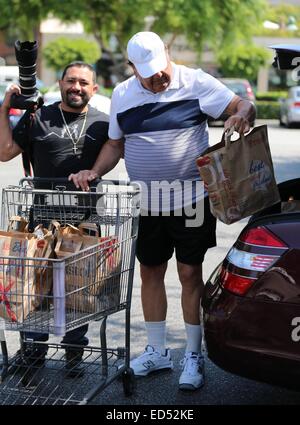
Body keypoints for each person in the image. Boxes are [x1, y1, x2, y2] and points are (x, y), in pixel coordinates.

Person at [68, 32, 256, 390]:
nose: (158, 78)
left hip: (192, 200)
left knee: (189, 273)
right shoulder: (123, 94)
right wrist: (95, 170)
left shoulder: (196, 81)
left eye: (161, 69)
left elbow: (242, 106)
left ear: (167, 54)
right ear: (132, 69)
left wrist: (243, 114)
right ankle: (156, 351)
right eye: (148, 73)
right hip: (148, 201)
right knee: (150, 272)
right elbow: (115, 142)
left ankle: (192, 355)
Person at [0, 61, 109, 376]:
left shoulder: (104, 123)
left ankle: (75, 354)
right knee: (34, 290)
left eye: (83, 83)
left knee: (78, 291)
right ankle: (33, 353)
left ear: (94, 89)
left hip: (84, 222)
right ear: (60, 83)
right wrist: (5, 107)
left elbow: (119, 147)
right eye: (71, 81)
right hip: (41, 223)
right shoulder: (39, 117)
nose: (77, 87)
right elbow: (6, 151)